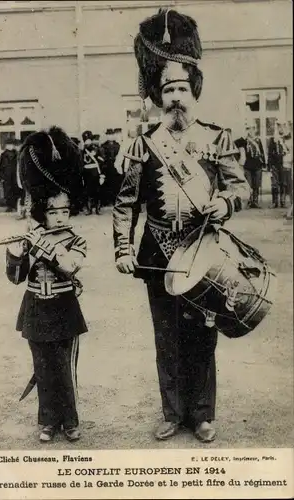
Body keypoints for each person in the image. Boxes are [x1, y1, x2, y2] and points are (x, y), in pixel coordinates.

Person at [113, 8, 250, 443]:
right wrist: (121, 248)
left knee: (203, 333)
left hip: (203, 250)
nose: (175, 96)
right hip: (156, 253)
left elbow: (241, 188)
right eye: (168, 88)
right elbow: (125, 203)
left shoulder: (216, 138)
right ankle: (172, 413)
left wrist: (225, 203)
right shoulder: (143, 144)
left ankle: (202, 414)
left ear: (194, 92)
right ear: (157, 93)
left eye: (182, 88)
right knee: (166, 335)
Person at [5, 127, 88, 443]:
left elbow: (70, 266)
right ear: (42, 211)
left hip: (64, 310)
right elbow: (15, 278)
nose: (61, 216)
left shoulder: (75, 239)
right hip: (36, 309)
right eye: (54, 211)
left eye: (65, 210)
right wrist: (16, 253)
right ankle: (48, 423)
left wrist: (43, 246)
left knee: (64, 371)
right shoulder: (31, 235)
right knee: (42, 369)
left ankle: (70, 421)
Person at [82, 130, 105, 215]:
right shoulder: (82, 151)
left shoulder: (97, 149)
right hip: (86, 173)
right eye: (85, 140)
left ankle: (98, 209)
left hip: (95, 172)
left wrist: (102, 174)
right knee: (87, 192)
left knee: (97, 191)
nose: (87, 142)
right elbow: (82, 162)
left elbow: (102, 162)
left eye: (88, 140)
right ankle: (89, 209)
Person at [243, 126, 266, 208]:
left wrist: (264, 164)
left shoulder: (258, 140)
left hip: (257, 165)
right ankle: (249, 202)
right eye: (249, 129)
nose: (251, 131)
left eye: (253, 129)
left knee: (256, 185)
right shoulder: (245, 141)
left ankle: (255, 202)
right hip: (248, 165)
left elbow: (262, 152)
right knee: (249, 184)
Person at [0, 138, 19, 212]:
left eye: (11, 145)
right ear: (6, 146)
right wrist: (1, 177)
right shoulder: (3, 155)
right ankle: (9, 206)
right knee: (7, 191)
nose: (10, 146)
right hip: (6, 175)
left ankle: (16, 205)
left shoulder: (17, 154)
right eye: (8, 145)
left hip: (15, 175)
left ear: (13, 146)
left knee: (15, 189)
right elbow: (1, 167)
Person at [102, 128, 121, 206]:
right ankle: (106, 201)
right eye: (108, 135)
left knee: (116, 183)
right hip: (107, 167)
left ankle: (115, 200)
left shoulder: (118, 145)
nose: (110, 137)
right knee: (107, 184)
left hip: (116, 167)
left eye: (111, 135)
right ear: (106, 136)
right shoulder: (103, 145)